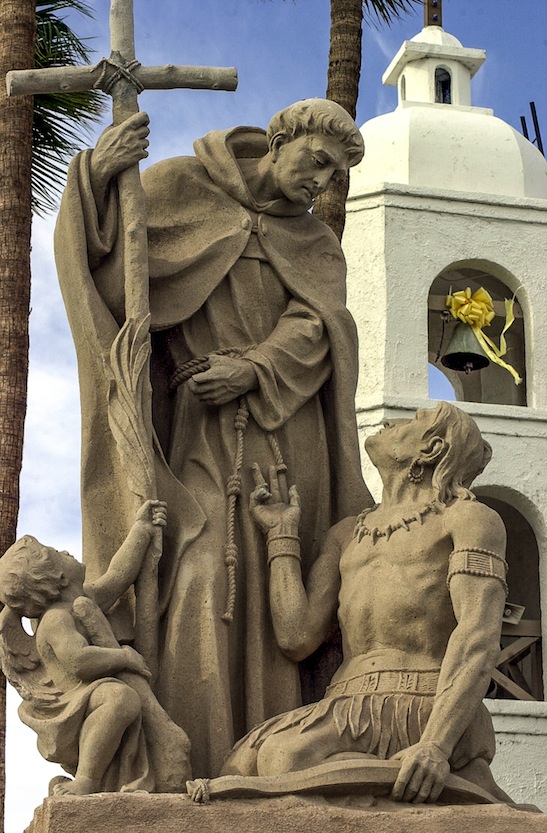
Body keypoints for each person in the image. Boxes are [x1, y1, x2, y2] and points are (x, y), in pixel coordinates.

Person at [54, 98, 372, 777]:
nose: (320, 183)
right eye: (316, 162)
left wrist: (252, 367)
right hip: (193, 433)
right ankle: (187, 770)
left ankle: (271, 771)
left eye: (334, 176)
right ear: (279, 140)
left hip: (286, 438)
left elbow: (323, 329)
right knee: (196, 574)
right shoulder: (178, 188)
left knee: (278, 591)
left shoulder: (313, 244)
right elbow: (111, 285)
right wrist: (96, 181)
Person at [223, 402, 512, 805]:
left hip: (426, 705)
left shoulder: (468, 519)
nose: (392, 422)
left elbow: (478, 636)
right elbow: (296, 636)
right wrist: (281, 536)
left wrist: (436, 746)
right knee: (239, 764)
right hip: (342, 706)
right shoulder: (346, 534)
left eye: (412, 421)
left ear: (430, 449)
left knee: (284, 758)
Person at [0, 501, 191, 796]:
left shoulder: (81, 602)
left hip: (92, 693)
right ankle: (87, 780)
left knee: (120, 697)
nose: (65, 552)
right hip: (76, 703)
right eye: (56, 555)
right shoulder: (55, 620)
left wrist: (141, 530)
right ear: (59, 579)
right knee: (120, 698)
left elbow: (118, 576)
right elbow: (79, 662)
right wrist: (123, 656)